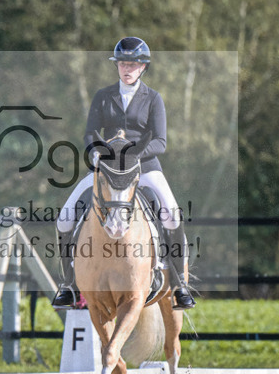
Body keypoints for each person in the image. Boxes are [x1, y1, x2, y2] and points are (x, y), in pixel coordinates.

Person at [51, 37, 196, 311]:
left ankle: (179, 285)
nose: (127, 69)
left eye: (133, 64)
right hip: (106, 168)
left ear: (143, 68)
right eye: (122, 64)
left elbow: (160, 142)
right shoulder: (103, 96)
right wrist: (96, 152)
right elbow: (90, 133)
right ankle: (69, 284)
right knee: (64, 218)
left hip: (144, 168)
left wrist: (132, 156)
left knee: (172, 214)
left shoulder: (153, 99)